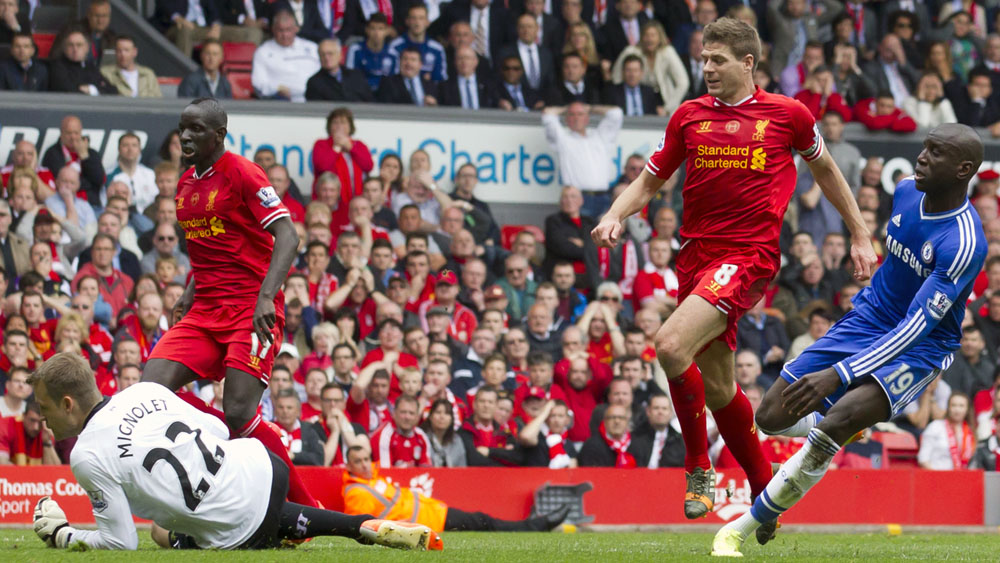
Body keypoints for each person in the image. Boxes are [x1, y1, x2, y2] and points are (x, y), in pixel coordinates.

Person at [591, 17, 876, 528]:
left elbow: (827, 171)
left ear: (748, 62)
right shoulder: (688, 116)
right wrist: (615, 213)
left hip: (748, 257)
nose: (707, 69)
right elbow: (650, 180)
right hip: (696, 258)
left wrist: (858, 232)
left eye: (717, 60)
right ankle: (765, 490)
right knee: (720, 387)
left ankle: (698, 467)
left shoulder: (788, 115)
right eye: (703, 59)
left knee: (671, 345)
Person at [711, 124, 987, 555]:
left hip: (921, 346)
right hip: (870, 317)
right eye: (924, 147)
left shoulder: (964, 242)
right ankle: (837, 424)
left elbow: (915, 327)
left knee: (833, 427)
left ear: (963, 169)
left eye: (936, 152)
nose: (922, 157)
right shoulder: (904, 190)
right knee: (769, 416)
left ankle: (741, 528)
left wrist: (837, 374)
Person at [28, 353, 441, 551]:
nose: (43, 419)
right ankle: (363, 526)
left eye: (44, 407)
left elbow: (120, 544)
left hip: (238, 526)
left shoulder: (85, 455)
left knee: (159, 532)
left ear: (68, 403)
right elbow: (215, 427)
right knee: (259, 508)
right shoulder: (145, 389)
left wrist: (65, 534)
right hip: (263, 465)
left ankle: (329, 528)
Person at [140, 98, 319, 510]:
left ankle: (307, 508)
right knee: (148, 391)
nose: (185, 136)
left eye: (196, 129)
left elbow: (289, 236)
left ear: (219, 134)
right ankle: (219, 442)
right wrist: (188, 292)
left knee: (239, 411)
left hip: (248, 310)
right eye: (183, 128)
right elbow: (207, 248)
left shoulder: (242, 172)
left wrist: (266, 297)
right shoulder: (186, 182)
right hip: (204, 310)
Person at [343, 445, 570, 531]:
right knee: (484, 522)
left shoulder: (372, 480)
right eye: (358, 461)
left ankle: (533, 524)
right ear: (348, 465)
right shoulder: (357, 493)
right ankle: (536, 525)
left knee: (483, 522)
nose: (365, 464)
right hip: (430, 523)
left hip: (434, 514)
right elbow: (363, 528)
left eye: (366, 458)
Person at [542, 103, 624, 218]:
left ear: (587, 118)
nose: (576, 118)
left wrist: (591, 108)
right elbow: (548, 114)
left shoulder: (600, 137)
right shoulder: (563, 140)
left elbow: (616, 113)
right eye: (572, 115)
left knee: (605, 234)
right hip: (579, 199)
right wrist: (566, 108)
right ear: (566, 119)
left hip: (604, 197)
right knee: (583, 235)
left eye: (580, 114)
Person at [251, 11, 320, 102]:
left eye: (288, 30)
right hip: (280, 102)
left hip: (316, 100)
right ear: (273, 29)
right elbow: (258, 84)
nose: (285, 35)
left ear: (296, 29)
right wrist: (276, 89)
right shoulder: (263, 52)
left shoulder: (313, 48)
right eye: (280, 30)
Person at [47, 30, 117, 95]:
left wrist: (92, 89)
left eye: (79, 45)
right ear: (64, 48)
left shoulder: (90, 67)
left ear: (87, 48)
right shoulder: (57, 66)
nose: (75, 49)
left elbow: (112, 91)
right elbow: (67, 90)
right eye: (71, 45)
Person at [305, 38, 375, 102]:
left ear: (340, 55)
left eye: (330, 54)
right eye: (322, 54)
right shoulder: (314, 82)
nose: (326, 58)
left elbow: (369, 101)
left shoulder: (356, 76)